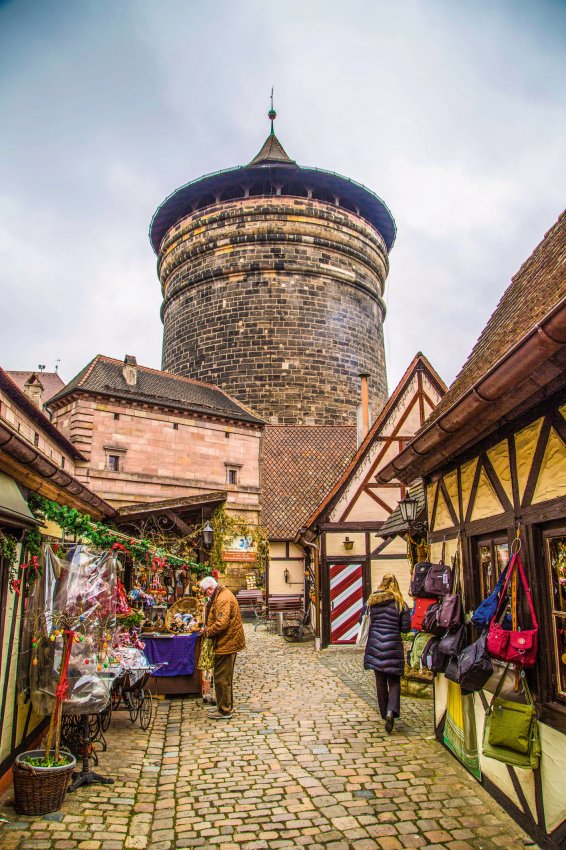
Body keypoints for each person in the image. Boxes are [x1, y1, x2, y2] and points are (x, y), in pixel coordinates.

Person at [362, 574, 411, 734]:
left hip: (375, 645)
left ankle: (385, 714)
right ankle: (391, 711)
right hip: (393, 645)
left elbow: (362, 620)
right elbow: (406, 628)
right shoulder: (400, 603)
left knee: (380, 681)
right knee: (394, 681)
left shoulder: (372, 602)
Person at [199, 576, 245, 720]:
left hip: (226, 644)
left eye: (204, 592)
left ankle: (224, 710)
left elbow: (221, 624)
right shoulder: (222, 594)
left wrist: (207, 631)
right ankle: (225, 706)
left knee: (221, 678)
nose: (205, 595)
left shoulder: (222, 599)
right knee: (225, 678)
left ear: (210, 589)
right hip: (228, 642)